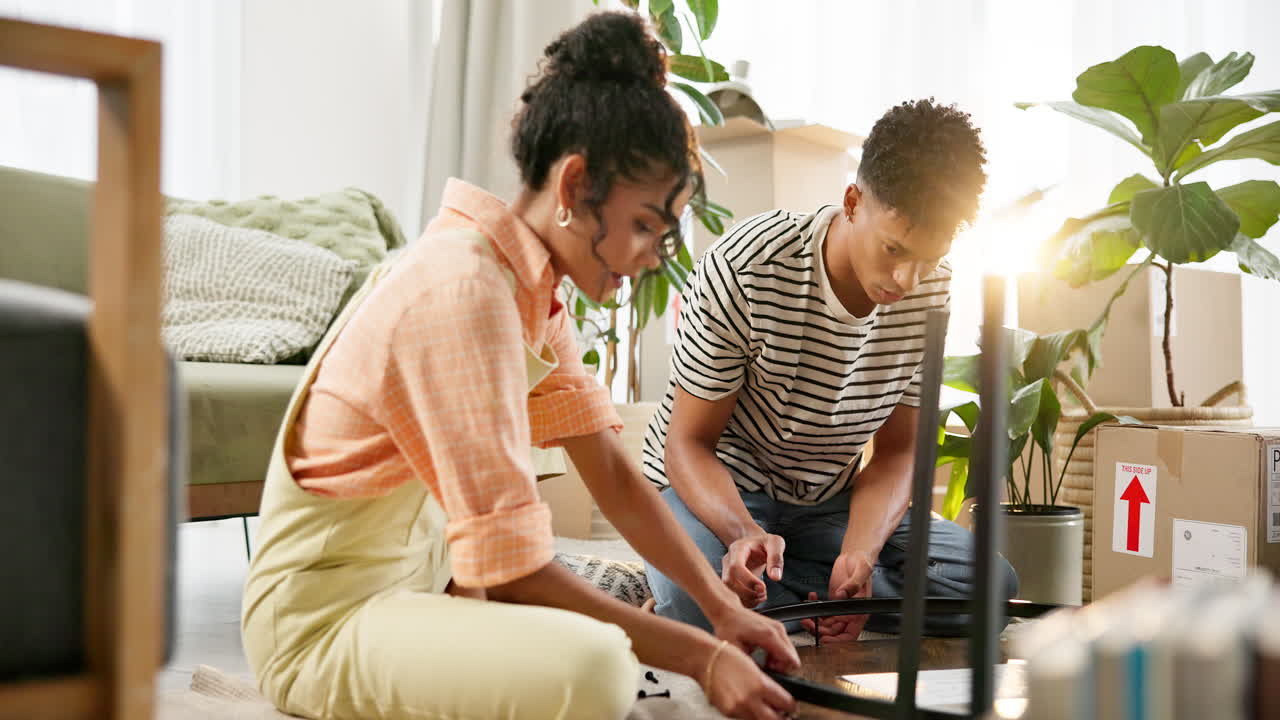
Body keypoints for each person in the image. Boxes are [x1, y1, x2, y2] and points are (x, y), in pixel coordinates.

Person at [241, 11, 799, 720]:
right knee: (598, 667)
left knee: (606, 641)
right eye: (645, 225)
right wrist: (702, 656)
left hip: (419, 587)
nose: (655, 256)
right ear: (573, 188)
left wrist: (722, 611)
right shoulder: (462, 289)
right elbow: (508, 575)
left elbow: (615, 474)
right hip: (323, 625)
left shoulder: (527, 289)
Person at [643, 98, 1019, 643]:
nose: (907, 279)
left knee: (990, 584)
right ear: (852, 201)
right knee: (698, 602)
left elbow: (898, 449)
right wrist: (741, 534)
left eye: (929, 258)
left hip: (827, 504)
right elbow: (687, 444)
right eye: (894, 248)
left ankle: (787, 599)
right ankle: (729, 586)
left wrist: (860, 554)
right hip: (718, 492)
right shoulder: (747, 267)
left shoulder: (932, 291)